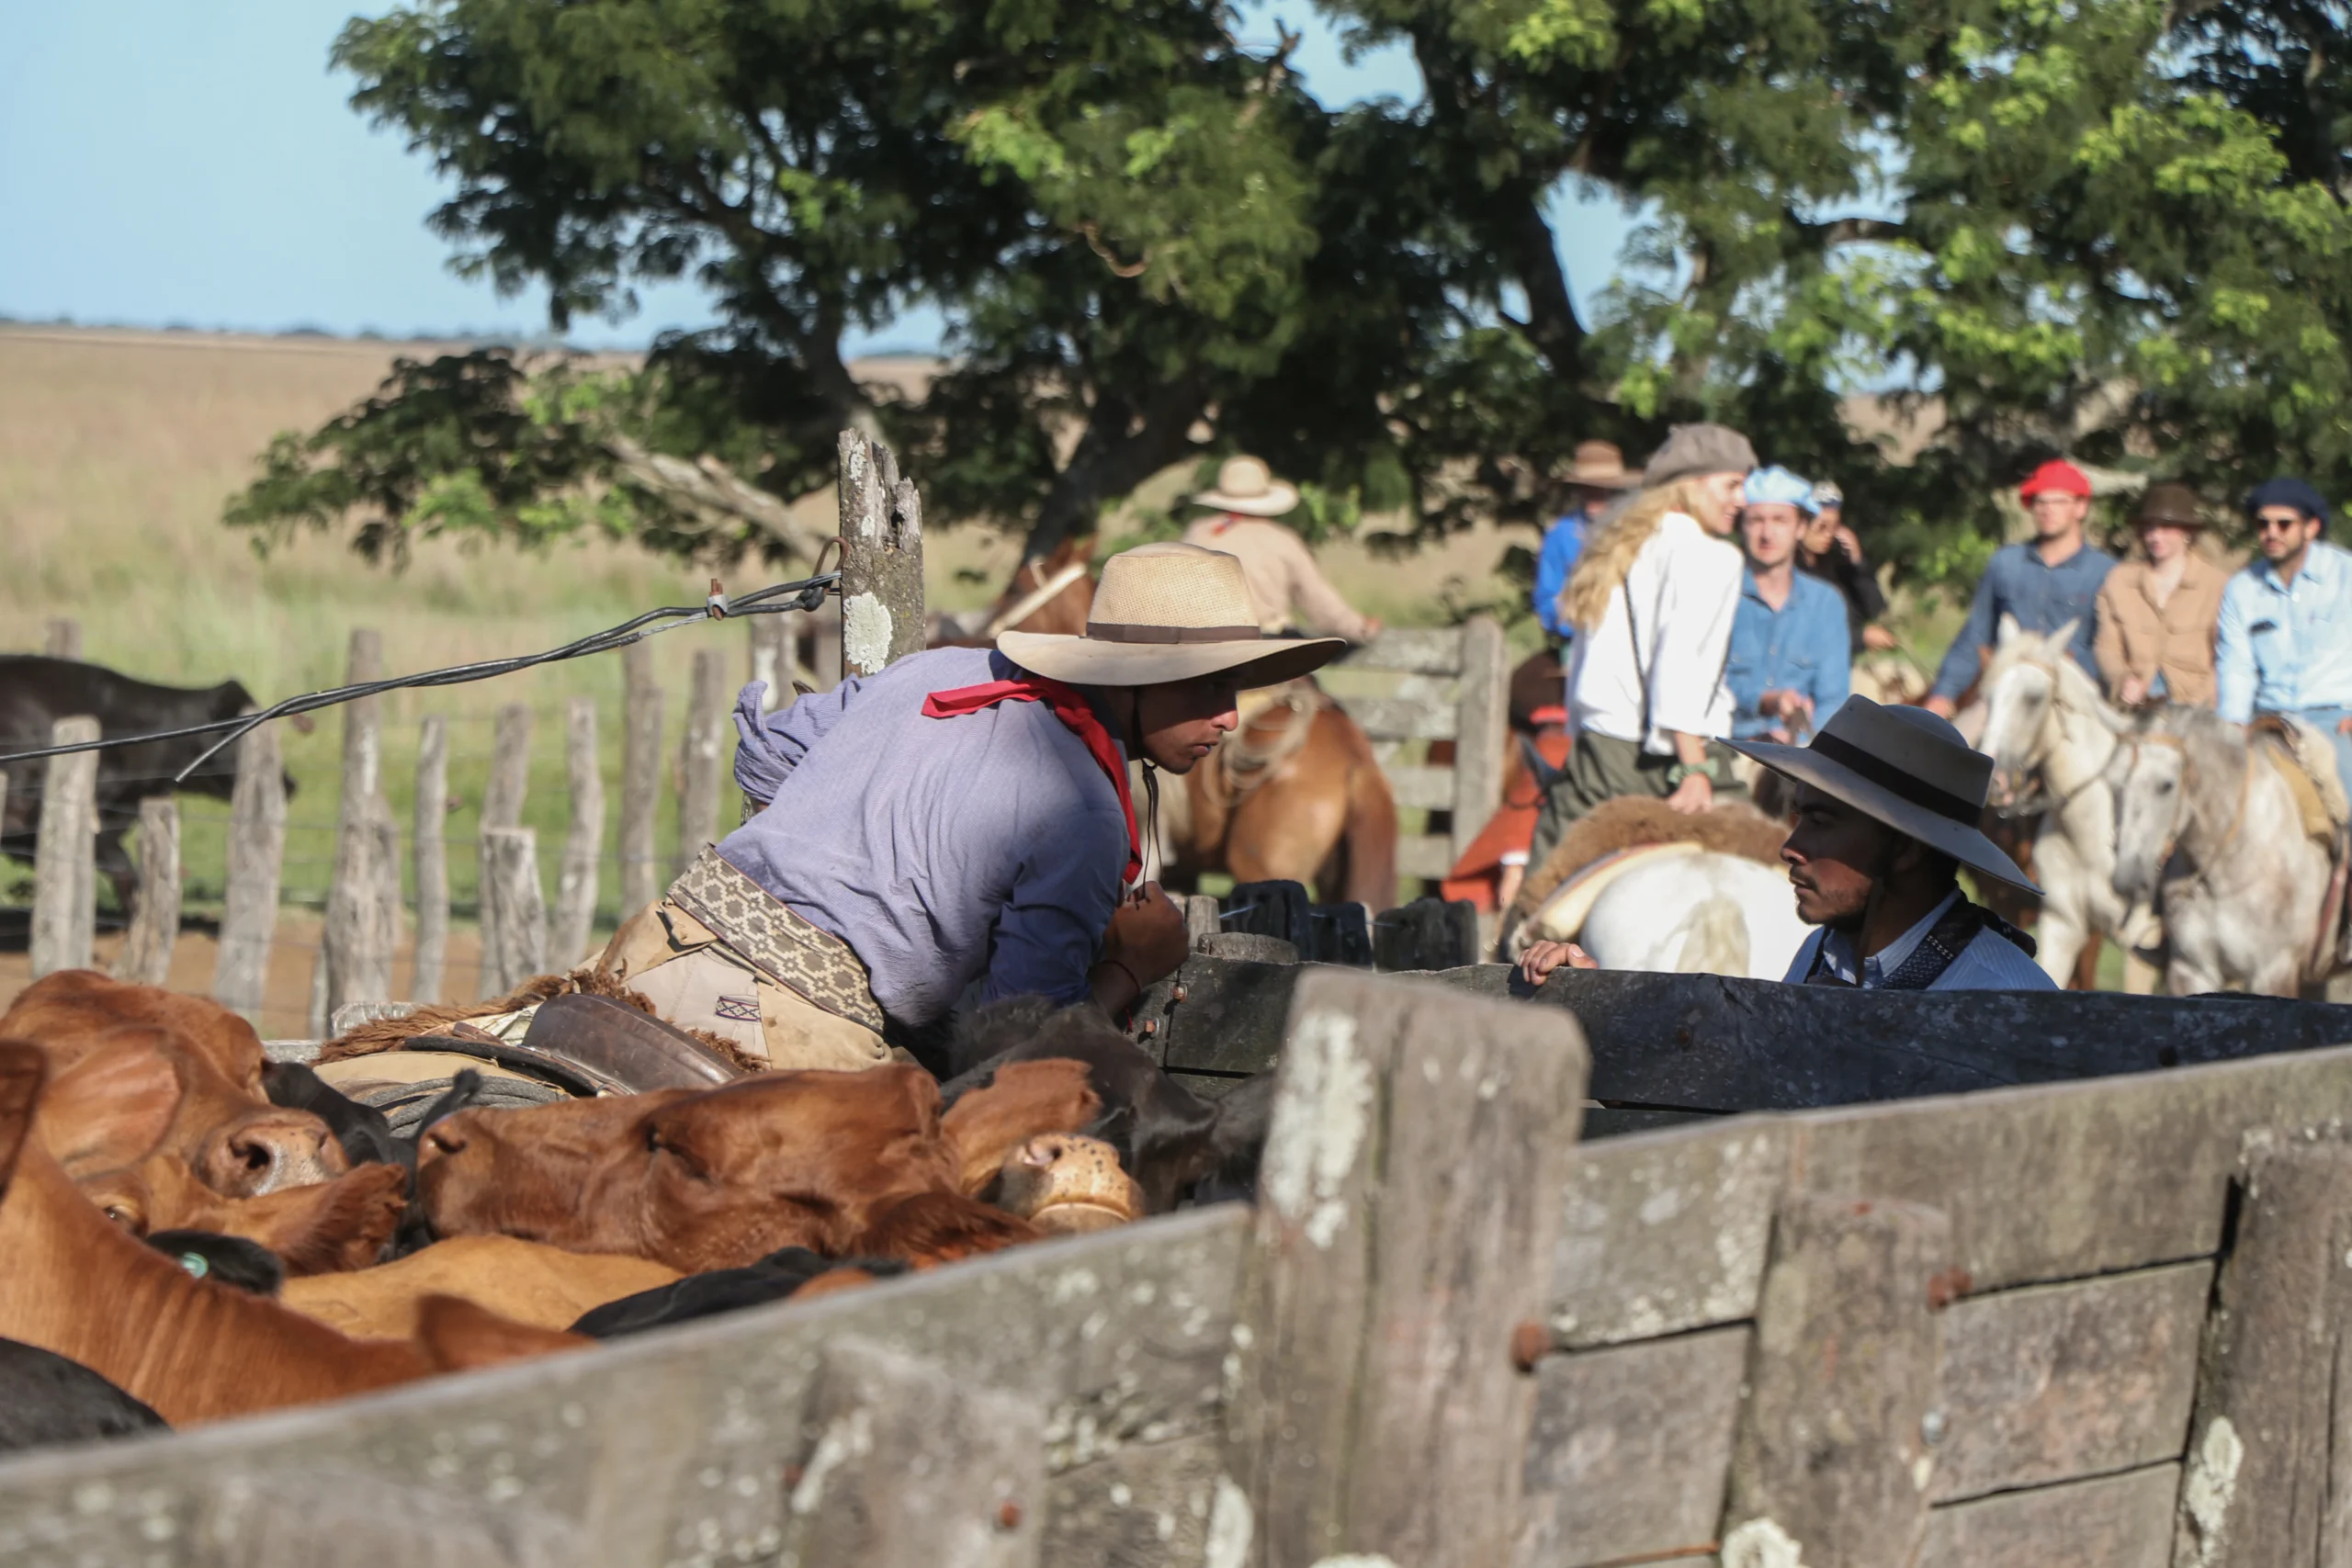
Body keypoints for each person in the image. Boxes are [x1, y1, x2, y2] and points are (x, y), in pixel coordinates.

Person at [599, 543, 1345, 1072]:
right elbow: (1012, 1046)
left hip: (665, 939)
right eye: (1204, 687)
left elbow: (770, 751)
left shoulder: (938, 669)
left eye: (1233, 687)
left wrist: (813, 845)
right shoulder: (1083, 811)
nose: (1230, 718)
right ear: (1131, 679)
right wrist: (1130, 964)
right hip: (794, 1031)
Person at [1520, 696, 2057, 991]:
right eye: (1799, 818)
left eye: (1822, 822)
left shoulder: (2002, 995)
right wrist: (1596, 999)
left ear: (1906, 848)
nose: (1789, 847)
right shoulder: (1826, 957)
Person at [1527, 423, 1757, 871]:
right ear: (1693, 483)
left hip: (1600, 754)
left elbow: (1585, 665)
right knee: (1773, 870)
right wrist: (1694, 768)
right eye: (1731, 485)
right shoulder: (1714, 556)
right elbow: (1680, 662)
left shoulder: (1616, 545)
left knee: (1546, 891)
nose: (1742, 501)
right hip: (1673, 756)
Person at [1924, 460, 2115, 718]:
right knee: (1961, 746)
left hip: (2074, 702)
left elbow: (2110, 648)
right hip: (2005, 694)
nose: (2047, 510)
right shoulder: (2006, 562)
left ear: (2081, 507)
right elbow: (1976, 633)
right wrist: (1943, 694)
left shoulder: (2106, 572)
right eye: (2040, 502)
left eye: (2059, 502)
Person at [2216, 477, 2352, 790]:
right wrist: (2233, 725)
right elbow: (2236, 664)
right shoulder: (2242, 588)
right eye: (2263, 524)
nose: (2271, 533)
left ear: (2311, 528)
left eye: (2284, 524)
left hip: (2335, 718)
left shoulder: (2345, 575)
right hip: (2270, 720)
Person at [1180, 455, 1381, 641]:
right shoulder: (1281, 540)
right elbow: (1315, 597)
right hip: (1265, 643)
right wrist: (1357, 627)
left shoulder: (1198, 534)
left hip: (1203, 645)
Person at [1727, 467, 1852, 743]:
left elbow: (1833, 699)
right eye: (1756, 520)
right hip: (1728, 747)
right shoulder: (1720, 593)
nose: (1767, 533)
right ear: (1742, 527)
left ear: (1801, 528)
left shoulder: (1825, 603)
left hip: (1798, 755)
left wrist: (1803, 743)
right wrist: (1765, 701)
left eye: (1780, 520)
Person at [2093, 481, 2225, 708]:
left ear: (2187, 532)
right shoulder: (2120, 581)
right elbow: (2107, 647)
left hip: (2195, 709)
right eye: (2149, 527)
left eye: (2166, 528)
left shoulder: (2218, 585)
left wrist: (2200, 703)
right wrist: (2122, 680)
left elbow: (2225, 658)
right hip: (2134, 706)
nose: (2155, 536)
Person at [1533, 441, 1641, 642]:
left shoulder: (1637, 532)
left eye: (1600, 489)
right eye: (1587, 488)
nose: (1593, 495)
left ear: (1614, 491)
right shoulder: (1560, 535)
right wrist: (1577, 621)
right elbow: (1547, 600)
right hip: (1578, 639)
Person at [1798, 480, 1896, 653]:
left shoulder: (1834, 562)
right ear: (1802, 525)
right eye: (1822, 527)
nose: (1828, 535)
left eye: (1834, 527)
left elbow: (1874, 608)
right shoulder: (1789, 570)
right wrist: (1861, 637)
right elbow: (1807, 632)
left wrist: (1858, 561)